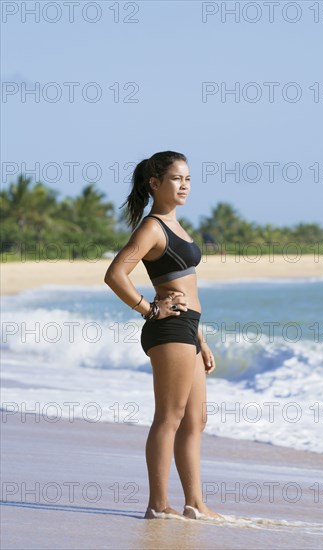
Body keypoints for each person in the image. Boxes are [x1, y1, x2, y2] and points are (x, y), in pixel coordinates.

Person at [104, 151, 223, 521]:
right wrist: (150, 309)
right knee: (169, 417)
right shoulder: (153, 227)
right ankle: (157, 504)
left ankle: (195, 503)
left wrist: (201, 341)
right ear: (155, 184)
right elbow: (115, 274)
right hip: (168, 329)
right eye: (176, 178)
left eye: (188, 178)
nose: (184, 185)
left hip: (187, 330)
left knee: (195, 420)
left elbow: (188, 288)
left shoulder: (178, 225)